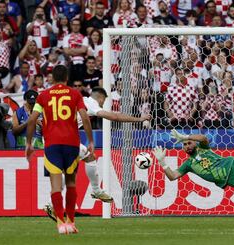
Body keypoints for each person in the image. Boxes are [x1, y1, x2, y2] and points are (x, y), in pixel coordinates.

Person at [43, 87, 152, 221]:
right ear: (100, 97)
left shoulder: (76, 100)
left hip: (51, 137)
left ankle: (54, 202)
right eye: (104, 101)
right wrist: (139, 119)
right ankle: (93, 191)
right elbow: (114, 116)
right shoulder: (91, 103)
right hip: (63, 138)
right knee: (84, 161)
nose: (103, 103)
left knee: (85, 160)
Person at [25, 65, 94, 234]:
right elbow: (84, 117)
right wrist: (90, 140)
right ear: (66, 78)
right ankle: (71, 222)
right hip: (71, 144)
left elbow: (33, 119)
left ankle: (60, 223)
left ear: (52, 79)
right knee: (71, 183)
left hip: (52, 144)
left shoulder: (43, 96)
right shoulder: (75, 94)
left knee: (56, 186)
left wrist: (29, 144)